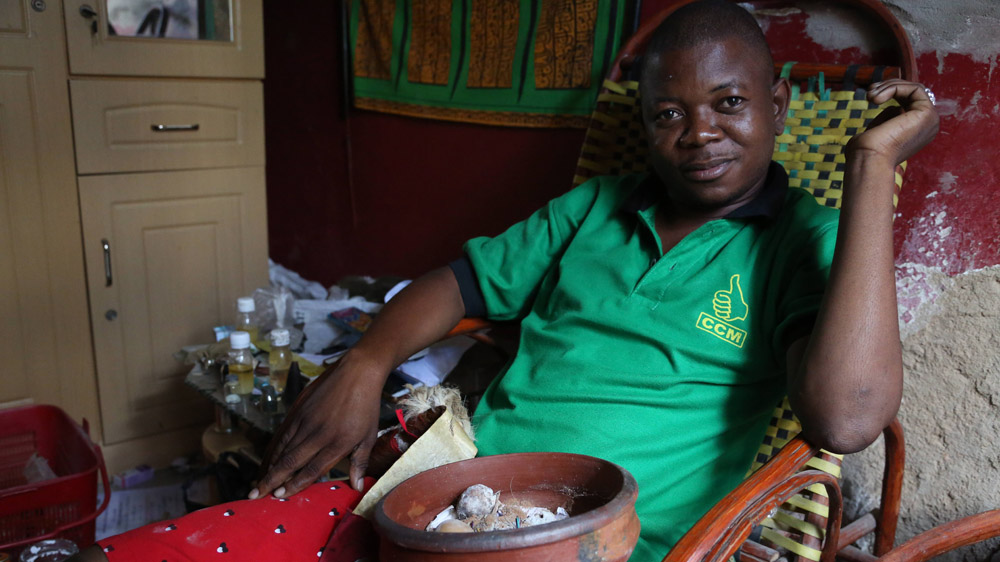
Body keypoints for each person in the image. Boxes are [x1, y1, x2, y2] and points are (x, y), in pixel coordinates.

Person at [72, 1, 938, 560]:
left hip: (592, 539)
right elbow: (457, 285)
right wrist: (366, 363)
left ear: (777, 106)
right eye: (668, 114)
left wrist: (870, 167)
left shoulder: (802, 240)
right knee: (192, 545)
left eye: (730, 104)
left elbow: (846, 419)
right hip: (452, 492)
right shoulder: (594, 207)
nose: (699, 134)